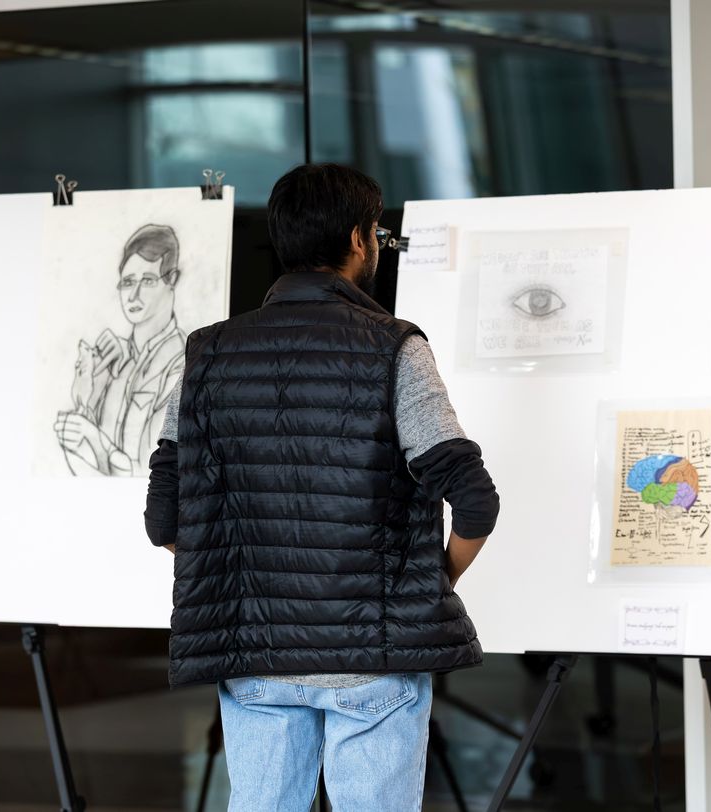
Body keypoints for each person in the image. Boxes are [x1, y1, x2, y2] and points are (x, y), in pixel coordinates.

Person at [144, 164, 499, 810]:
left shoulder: (206, 354)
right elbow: (474, 502)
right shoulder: (393, 349)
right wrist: (422, 585)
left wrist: (253, 584)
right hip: (374, 665)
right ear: (361, 240)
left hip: (254, 662)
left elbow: (165, 523)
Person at [55, 224, 185, 476]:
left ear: (172, 279)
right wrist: (85, 392)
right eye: (127, 282)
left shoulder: (183, 363)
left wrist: (93, 439)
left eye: (147, 281)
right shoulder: (115, 359)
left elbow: (152, 471)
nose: (133, 295)